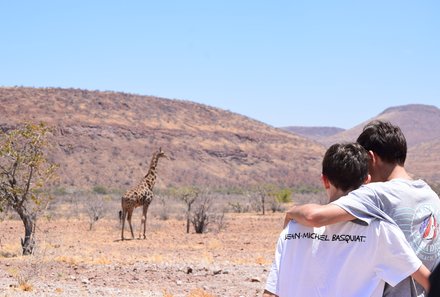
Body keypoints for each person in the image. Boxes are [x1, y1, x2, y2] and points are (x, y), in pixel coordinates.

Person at [284, 120, 440, 297]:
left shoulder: (376, 194)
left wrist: (291, 212)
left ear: (371, 158)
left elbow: (315, 217)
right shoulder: (431, 195)